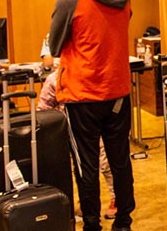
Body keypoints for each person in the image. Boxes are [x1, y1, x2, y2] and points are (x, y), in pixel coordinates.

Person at [49, 0, 134, 231]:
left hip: (83, 94)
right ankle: (123, 222)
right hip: (119, 92)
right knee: (120, 159)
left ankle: (91, 225)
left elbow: (56, 45)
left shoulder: (69, 0)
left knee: (86, 164)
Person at [37, 71, 118, 220]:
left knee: (104, 163)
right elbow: (43, 111)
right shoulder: (54, 79)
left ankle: (115, 199)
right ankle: (81, 205)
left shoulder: (91, 74)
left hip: (92, 127)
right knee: (74, 171)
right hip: (63, 131)